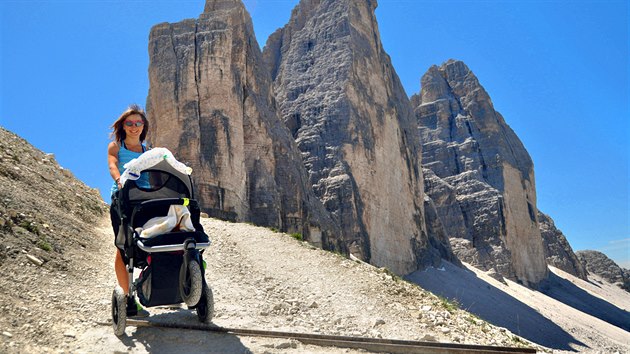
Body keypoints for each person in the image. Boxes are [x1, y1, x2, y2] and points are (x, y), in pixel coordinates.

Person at [107, 104, 150, 317]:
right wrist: (119, 180)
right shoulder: (115, 146)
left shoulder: (148, 151)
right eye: (129, 123)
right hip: (122, 199)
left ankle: (148, 284)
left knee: (149, 242)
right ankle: (126, 296)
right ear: (123, 126)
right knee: (123, 246)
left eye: (138, 123)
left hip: (145, 200)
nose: (134, 127)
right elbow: (113, 165)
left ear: (143, 126)